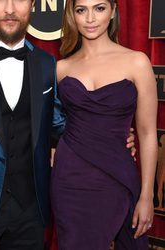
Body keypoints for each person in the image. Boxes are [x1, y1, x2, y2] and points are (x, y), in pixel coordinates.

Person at [0, 0, 136, 249]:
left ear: (33, 4)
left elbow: (58, 124)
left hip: (30, 213)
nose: (10, 8)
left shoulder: (46, 63)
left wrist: (108, 134)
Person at [50, 0, 158, 249]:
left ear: (113, 12)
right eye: (81, 10)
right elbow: (52, 124)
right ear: (72, 15)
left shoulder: (137, 62)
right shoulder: (61, 68)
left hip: (118, 173)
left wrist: (146, 196)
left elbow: (148, 134)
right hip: (70, 179)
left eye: (99, 8)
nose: (90, 18)